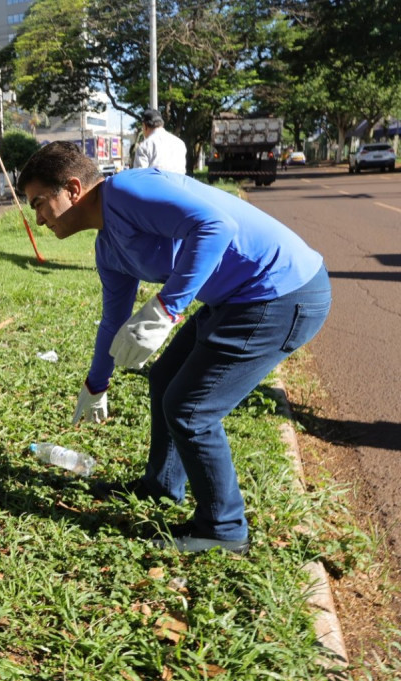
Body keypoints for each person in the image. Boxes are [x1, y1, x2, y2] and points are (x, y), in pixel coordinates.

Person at [17, 142, 331, 554]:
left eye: (39, 203)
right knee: (165, 378)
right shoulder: (107, 249)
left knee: (190, 409)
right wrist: (96, 384)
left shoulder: (128, 191)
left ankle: (224, 530)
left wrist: (167, 307)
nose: (38, 219)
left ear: (73, 189)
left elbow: (216, 226)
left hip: (284, 292)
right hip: (237, 300)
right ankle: (162, 486)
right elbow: (114, 320)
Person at [131, 109, 187, 173]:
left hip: (155, 182)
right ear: (161, 124)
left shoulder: (144, 146)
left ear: (145, 126)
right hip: (178, 182)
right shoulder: (180, 143)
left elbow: (139, 176)